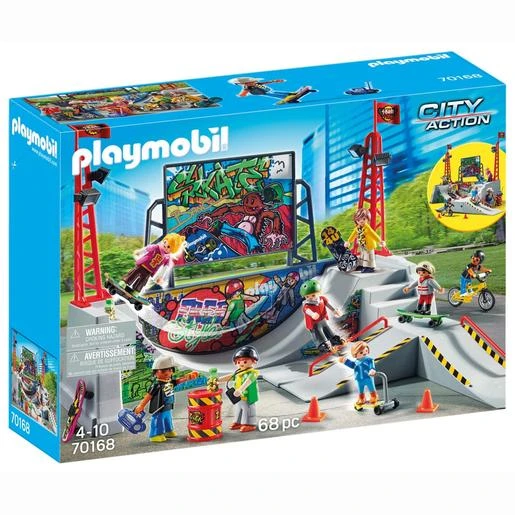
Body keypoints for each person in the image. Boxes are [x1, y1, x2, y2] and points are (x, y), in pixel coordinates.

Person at [120, 233, 185, 296]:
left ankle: (136, 290)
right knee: (133, 273)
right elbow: (146, 249)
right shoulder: (156, 247)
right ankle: (124, 282)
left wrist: (161, 277)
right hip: (142, 265)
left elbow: (164, 268)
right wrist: (139, 252)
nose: (165, 246)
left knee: (142, 281)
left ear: (173, 250)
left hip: (149, 271)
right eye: (165, 242)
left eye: (168, 247)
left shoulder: (167, 257)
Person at [134, 355, 178, 443]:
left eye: (170, 370)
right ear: (155, 373)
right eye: (164, 371)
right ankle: (155, 434)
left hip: (168, 406)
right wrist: (141, 406)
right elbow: (148, 396)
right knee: (158, 420)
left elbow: (178, 381)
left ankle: (168, 430)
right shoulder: (156, 385)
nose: (168, 372)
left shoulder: (170, 382)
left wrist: (188, 377)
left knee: (168, 419)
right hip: (159, 408)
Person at [218, 346, 260, 433]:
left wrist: (241, 389)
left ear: (253, 361)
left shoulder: (253, 373)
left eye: (245, 361)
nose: (241, 363)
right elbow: (231, 377)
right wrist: (219, 380)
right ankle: (238, 422)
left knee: (248, 409)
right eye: (238, 361)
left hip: (248, 396)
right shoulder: (239, 372)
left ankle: (250, 424)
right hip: (238, 396)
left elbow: (248, 381)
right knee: (239, 408)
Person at [300, 279, 342, 353]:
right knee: (318, 332)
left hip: (323, 320)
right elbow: (306, 310)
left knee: (327, 329)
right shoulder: (307, 305)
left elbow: (328, 305)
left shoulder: (322, 299)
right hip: (314, 323)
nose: (310, 298)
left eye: (313, 295)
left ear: (319, 293)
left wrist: (334, 310)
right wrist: (312, 314)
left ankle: (333, 339)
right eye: (307, 296)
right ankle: (322, 344)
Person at [344, 207, 385, 273]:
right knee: (362, 255)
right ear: (356, 220)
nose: (361, 221)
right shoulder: (357, 228)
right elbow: (353, 235)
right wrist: (348, 241)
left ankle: (370, 267)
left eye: (364, 219)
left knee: (369, 256)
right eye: (358, 219)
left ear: (367, 219)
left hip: (369, 245)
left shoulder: (368, 229)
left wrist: (380, 241)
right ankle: (362, 265)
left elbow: (374, 235)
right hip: (362, 245)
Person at [340, 341, 378, 407]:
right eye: (361, 352)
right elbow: (352, 365)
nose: (364, 353)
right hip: (359, 379)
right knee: (360, 390)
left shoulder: (369, 360)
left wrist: (372, 370)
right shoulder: (356, 361)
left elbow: (372, 366)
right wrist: (345, 361)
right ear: (355, 354)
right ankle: (362, 399)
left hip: (368, 377)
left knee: (371, 388)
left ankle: (373, 397)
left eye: (366, 350)